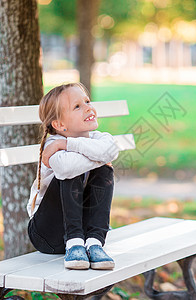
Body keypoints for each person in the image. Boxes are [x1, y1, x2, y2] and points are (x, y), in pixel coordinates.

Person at [27, 82, 119, 270]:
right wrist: (100, 157)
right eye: (77, 106)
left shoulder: (98, 138)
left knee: (104, 170)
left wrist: (69, 145)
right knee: (71, 171)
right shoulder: (51, 144)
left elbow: (111, 150)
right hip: (47, 233)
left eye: (87, 101)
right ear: (59, 124)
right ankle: (74, 242)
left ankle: (95, 243)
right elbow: (67, 168)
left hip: (84, 231)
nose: (88, 108)